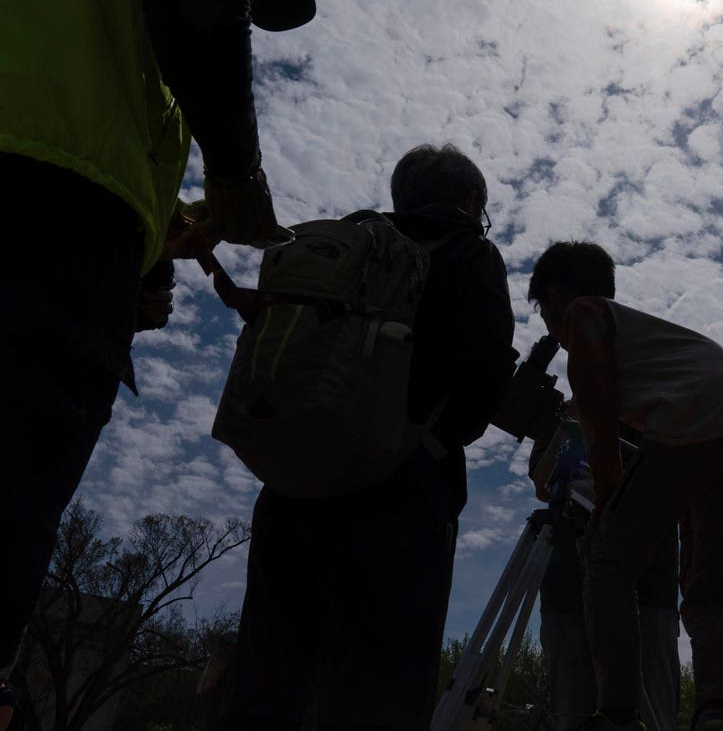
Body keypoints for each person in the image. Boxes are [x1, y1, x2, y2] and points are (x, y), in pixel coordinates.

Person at [0, 0, 315, 693]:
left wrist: (149, 247)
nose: (254, 3)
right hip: (44, 228)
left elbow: (80, 110)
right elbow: (206, 4)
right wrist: (240, 180)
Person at [217, 143, 517, 730]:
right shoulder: (470, 253)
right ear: (471, 200)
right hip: (401, 486)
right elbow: (481, 376)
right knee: (379, 686)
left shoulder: (348, 244)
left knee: (266, 676)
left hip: (291, 481)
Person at [527, 241, 723, 731]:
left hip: (697, 420)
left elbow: (599, 428)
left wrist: (607, 502)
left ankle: (619, 714)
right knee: (708, 590)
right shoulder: (648, 337)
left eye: (543, 314)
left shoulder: (584, 315)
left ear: (555, 297)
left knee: (606, 558)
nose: (551, 333)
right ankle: (717, 712)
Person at [529, 423, 681, 731]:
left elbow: (680, 484)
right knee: (571, 705)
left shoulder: (662, 411)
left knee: (652, 704)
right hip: (567, 582)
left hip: (648, 583)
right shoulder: (567, 419)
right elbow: (542, 483)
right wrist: (571, 431)